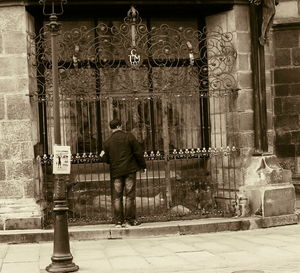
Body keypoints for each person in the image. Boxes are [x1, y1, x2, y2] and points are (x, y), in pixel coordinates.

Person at [100, 119, 146, 228]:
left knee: (117, 197)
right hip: (130, 170)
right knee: (130, 196)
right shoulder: (129, 137)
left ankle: (118, 222)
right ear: (120, 125)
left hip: (116, 172)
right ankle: (130, 220)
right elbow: (138, 152)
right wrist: (142, 166)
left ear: (110, 128)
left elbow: (105, 159)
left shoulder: (107, 142)